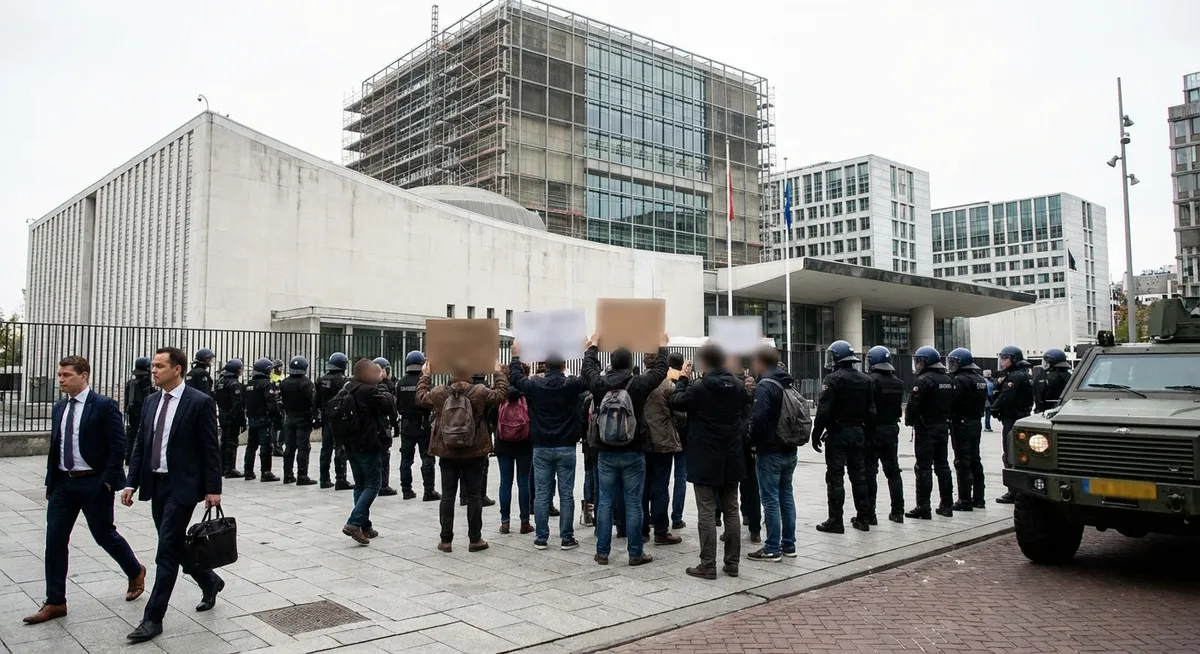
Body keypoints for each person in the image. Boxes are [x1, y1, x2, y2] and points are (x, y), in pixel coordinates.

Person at [24, 356, 146, 626]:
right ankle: (55, 601)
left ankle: (135, 570)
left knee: (104, 535)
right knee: (54, 541)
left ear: (84, 375)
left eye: (66, 374)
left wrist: (106, 481)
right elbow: (55, 446)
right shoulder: (59, 408)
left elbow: (118, 445)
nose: (61, 379)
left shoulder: (103, 406)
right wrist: (50, 482)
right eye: (59, 375)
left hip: (94, 482)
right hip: (63, 484)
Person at [121, 347, 223, 643]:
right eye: (152, 366)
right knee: (175, 545)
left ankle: (153, 618)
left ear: (176, 369)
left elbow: (210, 448)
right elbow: (141, 443)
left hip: (184, 487)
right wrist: (131, 482)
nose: (153, 370)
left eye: (159, 366)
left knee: (166, 550)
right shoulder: (152, 400)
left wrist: (213, 488)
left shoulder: (200, 402)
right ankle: (210, 580)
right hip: (156, 484)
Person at [582, 332, 670, 567]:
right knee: (633, 502)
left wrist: (592, 348)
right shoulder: (639, 384)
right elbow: (661, 371)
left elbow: (587, 370)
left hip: (606, 451)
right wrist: (662, 347)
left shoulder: (600, 385)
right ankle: (635, 553)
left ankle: (602, 552)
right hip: (634, 450)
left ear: (611, 362)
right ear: (631, 364)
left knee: (606, 501)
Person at [668, 343, 745, 579]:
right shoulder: (738, 386)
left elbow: (675, 401)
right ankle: (732, 563)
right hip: (732, 454)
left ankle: (708, 564)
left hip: (705, 455)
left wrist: (683, 378)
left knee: (707, 510)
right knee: (732, 509)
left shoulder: (700, 388)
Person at [418, 359, 508, 553]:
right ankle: (475, 539)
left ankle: (446, 540)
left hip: (447, 451)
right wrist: (498, 373)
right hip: (474, 451)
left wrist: (425, 376)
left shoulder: (440, 392)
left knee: (448, 496)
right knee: (474, 495)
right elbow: (501, 394)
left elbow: (420, 398)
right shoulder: (479, 391)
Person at [510, 342, 589, 550]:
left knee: (542, 493)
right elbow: (590, 378)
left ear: (545, 365)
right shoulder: (571, 384)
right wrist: (590, 351)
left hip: (541, 446)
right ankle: (566, 537)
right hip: (566, 446)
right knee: (566, 493)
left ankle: (541, 537)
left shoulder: (535, 385)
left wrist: (516, 357)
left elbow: (516, 379)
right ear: (564, 365)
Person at [812, 340, 875, 533]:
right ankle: (864, 518)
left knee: (835, 477)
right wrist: (867, 433)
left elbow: (824, 410)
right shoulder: (866, 380)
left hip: (838, 434)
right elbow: (871, 411)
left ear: (837, 357)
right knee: (859, 476)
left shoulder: (833, 379)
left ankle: (835, 520)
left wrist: (816, 433)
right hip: (858, 432)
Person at [746, 346, 798, 562]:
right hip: (789, 448)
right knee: (786, 495)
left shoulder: (765, 385)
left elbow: (758, 420)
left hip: (770, 450)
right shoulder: (787, 382)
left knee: (770, 499)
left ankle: (772, 547)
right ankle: (789, 544)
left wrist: (751, 439)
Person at [338, 359, 396, 544]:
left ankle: (365, 525)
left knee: (360, 485)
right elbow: (389, 405)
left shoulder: (347, 387)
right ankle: (354, 523)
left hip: (351, 444)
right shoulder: (369, 390)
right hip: (368, 444)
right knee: (373, 485)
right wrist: (382, 384)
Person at [905, 346, 956, 520]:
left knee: (923, 467)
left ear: (924, 361)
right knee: (943, 466)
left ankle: (923, 507)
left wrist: (910, 421)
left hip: (926, 428)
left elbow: (913, 405)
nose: (917, 365)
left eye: (918, 361)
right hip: (943, 427)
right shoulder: (948, 380)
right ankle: (947, 505)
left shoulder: (923, 381)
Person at [640, 352, 684, 546]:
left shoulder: (637, 383)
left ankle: (641, 530)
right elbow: (680, 413)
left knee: (642, 486)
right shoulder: (667, 386)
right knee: (661, 487)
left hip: (641, 441)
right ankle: (660, 530)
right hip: (663, 441)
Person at [864, 346, 905, 524]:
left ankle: (870, 513)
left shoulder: (870, 381)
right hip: (891, 429)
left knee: (870, 472)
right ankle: (898, 511)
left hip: (874, 430)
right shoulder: (898, 382)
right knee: (893, 472)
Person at [991, 345, 1034, 504]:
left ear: (1014, 359)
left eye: (1005, 358)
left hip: (1013, 419)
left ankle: (1013, 491)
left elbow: (1006, 396)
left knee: (1010, 454)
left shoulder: (1015, 376)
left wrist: (994, 408)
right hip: (1019, 417)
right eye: (1001, 358)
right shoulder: (1022, 374)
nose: (1002, 361)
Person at [948, 348, 989, 511]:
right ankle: (979, 498)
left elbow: (953, 401)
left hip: (961, 423)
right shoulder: (980, 379)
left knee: (962, 462)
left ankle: (964, 499)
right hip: (975, 422)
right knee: (975, 460)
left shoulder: (960, 380)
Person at [395, 351, 439, 501]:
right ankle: (429, 491)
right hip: (422, 422)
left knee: (406, 458)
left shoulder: (400, 383)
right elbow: (430, 401)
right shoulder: (424, 382)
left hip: (406, 423)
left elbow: (397, 404)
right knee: (427, 457)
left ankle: (406, 490)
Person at [495, 363, 534, 535]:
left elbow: (490, 418)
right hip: (525, 443)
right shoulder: (529, 394)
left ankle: (505, 523)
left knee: (505, 482)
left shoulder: (499, 394)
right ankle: (525, 522)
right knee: (523, 480)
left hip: (503, 443)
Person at [316, 353, 353, 490]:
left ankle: (324, 478)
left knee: (325, 449)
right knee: (340, 448)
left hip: (326, 417)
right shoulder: (343, 381)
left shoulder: (321, 380)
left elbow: (316, 400)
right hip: (339, 418)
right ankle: (341, 479)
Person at [280, 356, 318, 486]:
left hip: (289, 417)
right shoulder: (307, 383)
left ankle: (287, 474)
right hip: (303, 418)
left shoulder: (284, 382)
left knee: (289, 447)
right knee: (303, 447)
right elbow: (312, 401)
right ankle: (302, 475)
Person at [243, 358, 281, 482]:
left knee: (251, 446)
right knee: (266, 446)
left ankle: (248, 471)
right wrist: (276, 416)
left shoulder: (249, 384)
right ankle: (266, 472)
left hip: (252, 418)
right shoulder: (266, 384)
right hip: (264, 419)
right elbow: (271, 403)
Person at [213, 359, 246, 478]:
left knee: (225, 440)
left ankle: (222, 467)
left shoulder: (220, 382)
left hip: (222, 414)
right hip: (231, 416)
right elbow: (237, 403)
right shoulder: (234, 383)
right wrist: (239, 418)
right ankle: (230, 468)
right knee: (232, 441)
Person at [667, 353, 689, 532]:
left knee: (662, 478)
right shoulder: (684, 382)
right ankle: (677, 517)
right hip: (683, 436)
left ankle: (656, 515)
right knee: (680, 478)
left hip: (665, 435)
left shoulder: (661, 380)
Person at [374, 357, 400, 497]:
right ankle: (383, 485)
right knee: (384, 455)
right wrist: (395, 424)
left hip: (369, 427)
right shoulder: (384, 387)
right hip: (381, 426)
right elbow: (391, 408)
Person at [123, 357, 154, 465]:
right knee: (143, 434)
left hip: (131, 411)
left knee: (131, 435)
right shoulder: (145, 381)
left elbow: (127, 399)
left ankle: (128, 458)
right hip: (141, 411)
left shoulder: (130, 382)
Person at [1035, 348, 1072, 413]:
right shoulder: (1070, 375)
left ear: (1049, 362)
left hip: (1048, 411)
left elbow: (1040, 396)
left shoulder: (1047, 378)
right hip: (1066, 409)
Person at [270, 359, 286, 457]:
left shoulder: (283, 376)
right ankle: (274, 446)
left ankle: (279, 445)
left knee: (284, 425)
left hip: (282, 403)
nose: (281, 368)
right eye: (280, 367)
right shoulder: (271, 377)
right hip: (275, 403)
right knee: (274, 425)